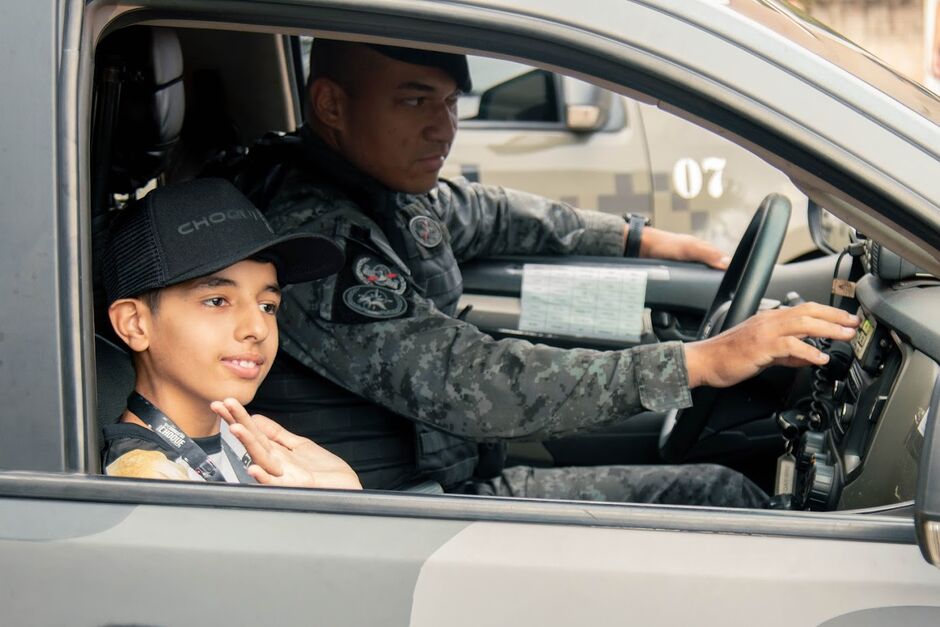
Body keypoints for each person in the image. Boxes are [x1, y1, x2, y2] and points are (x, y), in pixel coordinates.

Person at [238, 40, 859, 506]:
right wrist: (698, 362)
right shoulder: (311, 238)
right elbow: (469, 380)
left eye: (451, 103)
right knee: (721, 498)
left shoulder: (380, 191)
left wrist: (639, 238)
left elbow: (491, 214)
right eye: (413, 100)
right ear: (330, 105)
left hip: (444, 483)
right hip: (401, 514)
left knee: (719, 491)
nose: (443, 126)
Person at [100, 177, 361, 489]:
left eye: (268, 305)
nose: (257, 328)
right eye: (217, 301)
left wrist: (341, 497)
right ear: (135, 323)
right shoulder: (145, 481)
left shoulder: (246, 444)